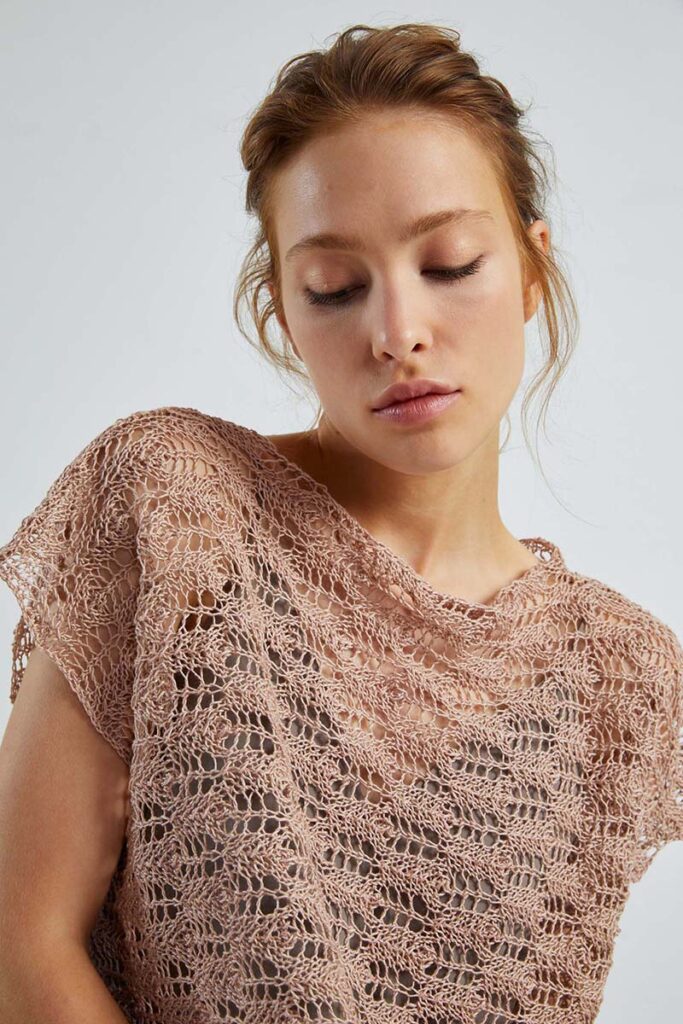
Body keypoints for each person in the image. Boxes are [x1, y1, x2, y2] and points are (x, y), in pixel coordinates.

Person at [0, 21, 680, 1024]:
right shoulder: (179, 509)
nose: (396, 332)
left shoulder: (622, 676)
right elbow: (23, 944)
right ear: (282, 311)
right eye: (335, 287)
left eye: (449, 263)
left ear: (532, 271)